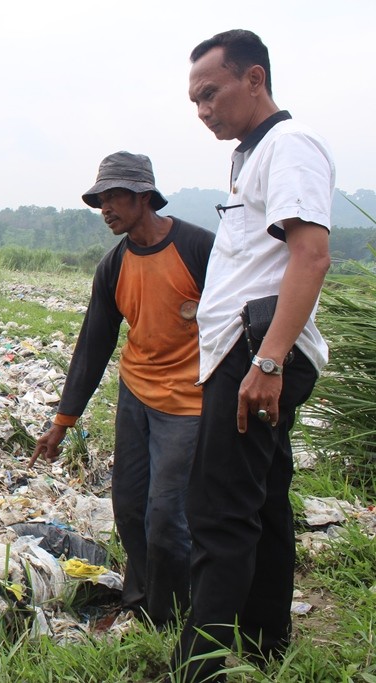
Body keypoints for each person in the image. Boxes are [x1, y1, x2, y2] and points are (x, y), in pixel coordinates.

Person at [173, 29, 335, 682]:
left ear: (255, 80)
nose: (204, 109)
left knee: (218, 512)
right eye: (194, 101)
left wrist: (266, 363)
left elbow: (311, 254)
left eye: (211, 93)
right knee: (263, 502)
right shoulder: (248, 156)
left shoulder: (290, 147)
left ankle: (199, 667)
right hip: (243, 350)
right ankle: (268, 643)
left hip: (256, 353)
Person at [29, 151, 214, 628]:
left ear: (143, 196)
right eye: (100, 199)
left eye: (113, 197)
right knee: (129, 505)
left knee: (167, 516)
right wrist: (61, 422)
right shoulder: (113, 266)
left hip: (190, 403)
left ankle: (170, 616)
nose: (105, 208)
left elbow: (234, 322)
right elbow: (93, 345)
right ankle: (140, 599)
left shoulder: (199, 249)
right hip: (137, 394)